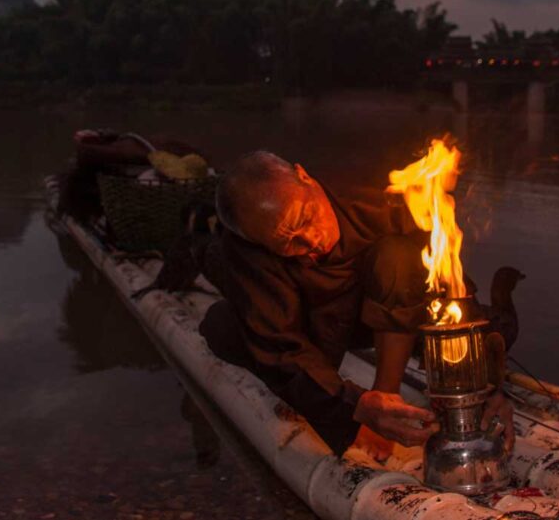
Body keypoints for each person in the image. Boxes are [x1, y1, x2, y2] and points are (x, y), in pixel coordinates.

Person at [212, 151, 514, 457]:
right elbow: (279, 344)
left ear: (304, 177)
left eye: (306, 218)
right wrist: (352, 404)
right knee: (224, 328)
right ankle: (359, 407)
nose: (313, 241)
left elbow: (450, 279)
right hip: (308, 324)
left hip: (377, 318)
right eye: (289, 244)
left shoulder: (386, 194)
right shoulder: (245, 253)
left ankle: (387, 395)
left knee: (398, 255)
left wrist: (488, 382)